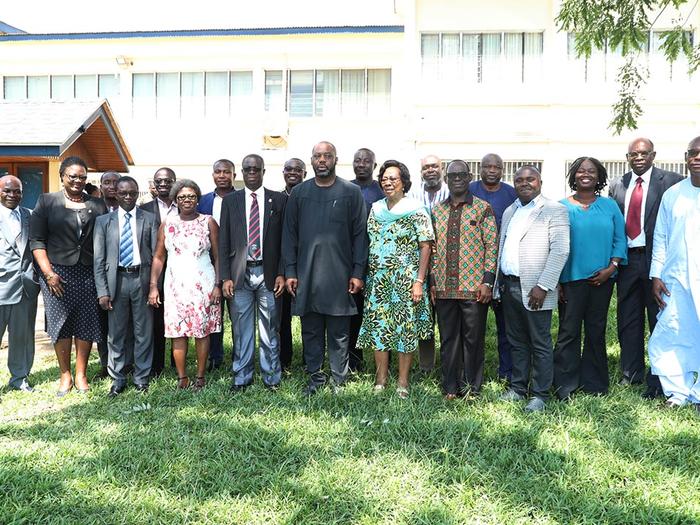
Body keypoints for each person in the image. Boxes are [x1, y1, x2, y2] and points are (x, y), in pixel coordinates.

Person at [282, 141, 368, 395]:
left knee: (340, 331)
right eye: (318, 156)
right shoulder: (299, 193)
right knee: (311, 329)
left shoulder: (351, 192)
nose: (322, 160)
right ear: (311, 161)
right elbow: (290, 235)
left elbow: (360, 235)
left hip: (340, 274)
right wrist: (290, 271)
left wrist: (357, 271)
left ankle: (339, 379)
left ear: (335, 160)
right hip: (306, 274)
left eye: (327, 156)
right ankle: (316, 377)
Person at [609, 138, 684, 398]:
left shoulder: (672, 182)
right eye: (633, 154)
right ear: (627, 157)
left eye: (643, 153)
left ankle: (660, 376)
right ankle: (631, 374)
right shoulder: (618, 185)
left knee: (658, 318)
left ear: (653, 155)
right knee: (628, 319)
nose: (638, 157)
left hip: (658, 261)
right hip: (628, 260)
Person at [30, 156, 107, 396]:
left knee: (86, 322)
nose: (77, 180)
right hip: (57, 274)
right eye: (72, 176)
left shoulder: (98, 205)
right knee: (60, 324)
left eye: (82, 177)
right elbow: (37, 241)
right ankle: (65, 375)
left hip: (88, 271)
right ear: (62, 176)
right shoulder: (47, 202)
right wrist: (48, 273)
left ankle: (81, 374)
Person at [496, 166, 569, 412]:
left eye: (530, 179)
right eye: (519, 180)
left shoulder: (554, 210)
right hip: (510, 286)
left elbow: (560, 250)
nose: (524, 183)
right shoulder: (510, 210)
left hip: (536, 289)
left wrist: (544, 285)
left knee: (540, 342)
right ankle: (518, 388)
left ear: (540, 181)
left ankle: (539, 395)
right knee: (516, 341)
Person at [358, 160, 433, 398]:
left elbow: (426, 246)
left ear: (404, 183)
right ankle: (380, 380)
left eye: (393, 178)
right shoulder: (376, 208)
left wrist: (419, 281)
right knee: (381, 329)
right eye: (384, 178)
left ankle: (402, 382)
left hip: (406, 281)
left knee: (404, 330)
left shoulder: (416, 209)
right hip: (379, 280)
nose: (387, 182)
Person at [554, 158, 627, 400]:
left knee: (596, 330)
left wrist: (611, 268)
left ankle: (594, 384)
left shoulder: (610, 206)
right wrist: (558, 281)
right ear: (573, 176)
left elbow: (620, 240)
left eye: (591, 171)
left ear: (599, 177)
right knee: (568, 331)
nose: (586, 174)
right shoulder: (560, 207)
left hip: (602, 280)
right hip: (569, 281)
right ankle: (565, 385)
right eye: (581, 171)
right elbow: (554, 246)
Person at [432, 161, 498, 399]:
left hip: (474, 288)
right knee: (448, 339)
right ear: (446, 179)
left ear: (470, 177)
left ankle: (471, 388)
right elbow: (432, 248)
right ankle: (450, 387)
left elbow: (492, 246)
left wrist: (487, 281)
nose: (457, 178)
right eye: (452, 175)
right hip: (443, 288)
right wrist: (432, 282)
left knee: (473, 340)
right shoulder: (437, 210)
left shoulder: (483, 208)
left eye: (461, 174)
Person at [220, 154, 286, 391]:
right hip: (240, 276)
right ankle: (241, 377)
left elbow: (284, 242)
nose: (251, 173)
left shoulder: (278, 200)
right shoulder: (231, 201)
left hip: (268, 274)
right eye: (247, 169)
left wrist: (281, 272)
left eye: (256, 169)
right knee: (241, 329)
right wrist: (225, 276)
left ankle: (271, 378)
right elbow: (224, 241)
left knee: (269, 328)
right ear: (242, 171)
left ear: (263, 172)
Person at [148, 180, 221, 391]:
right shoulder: (167, 223)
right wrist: (154, 285)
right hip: (175, 286)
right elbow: (159, 257)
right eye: (181, 197)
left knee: (202, 332)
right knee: (177, 332)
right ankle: (182, 378)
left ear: (198, 199)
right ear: (175, 200)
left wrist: (218, 284)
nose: (186, 200)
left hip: (203, 285)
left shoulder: (208, 222)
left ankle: (200, 377)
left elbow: (218, 256)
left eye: (191, 196)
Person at [648, 137, 700, 408]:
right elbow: (661, 237)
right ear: (686, 157)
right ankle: (678, 393)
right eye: (693, 153)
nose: (698, 158)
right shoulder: (673, 194)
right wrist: (657, 275)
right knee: (674, 331)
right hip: (676, 277)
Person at [94, 176, 157, 397]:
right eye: (123, 193)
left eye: (132, 193)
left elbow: (157, 256)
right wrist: (102, 291)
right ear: (116, 194)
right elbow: (99, 260)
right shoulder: (104, 222)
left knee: (143, 332)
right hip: (116, 282)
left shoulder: (148, 218)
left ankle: (141, 378)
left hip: (142, 279)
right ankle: (118, 378)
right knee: (116, 332)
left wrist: (154, 286)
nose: (128, 197)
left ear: (137, 193)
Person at [469, 153, 517, 382]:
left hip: (503, 267)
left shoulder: (512, 193)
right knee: (472, 328)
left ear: (502, 169)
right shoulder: (468, 189)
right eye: (487, 166)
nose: (491, 170)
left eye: (496, 166)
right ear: (480, 169)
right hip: (472, 269)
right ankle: (469, 373)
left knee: (506, 326)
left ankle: (506, 372)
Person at [408, 154, 449, 374]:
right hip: (420, 264)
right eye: (426, 167)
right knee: (424, 318)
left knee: (446, 318)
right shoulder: (413, 195)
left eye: (434, 166)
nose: (430, 170)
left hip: (446, 264)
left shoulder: (451, 193)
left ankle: (450, 364)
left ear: (442, 169)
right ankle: (426, 366)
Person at [0, 175, 39, 393]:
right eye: (7, 191)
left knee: (22, 337)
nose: (12, 195)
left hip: (25, 287)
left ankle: (19, 378)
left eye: (17, 191)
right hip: (0, 286)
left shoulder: (30, 216)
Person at [348, 147, 385, 373]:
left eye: (366, 161)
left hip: (377, 262)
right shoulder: (344, 188)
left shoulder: (381, 192)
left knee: (376, 313)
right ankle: (354, 361)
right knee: (352, 312)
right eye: (357, 160)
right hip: (349, 261)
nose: (361, 164)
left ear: (374, 164)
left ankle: (382, 363)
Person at [197, 158, 236, 371]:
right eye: (218, 172)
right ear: (213, 175)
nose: (222, 175)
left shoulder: (241, 198)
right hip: (207, 266)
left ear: (233, 175)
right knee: (212, 313)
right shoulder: (202, 201)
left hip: (236, 264)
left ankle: (239, 357)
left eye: (226, 172)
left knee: (236, 313)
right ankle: (214, 356)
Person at [140, 167, 178, 377]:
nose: (163, 184)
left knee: (177, 315)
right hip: (154, 270)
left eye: (167, 180)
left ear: (174, 182)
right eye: (159, 181)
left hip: (180, 271)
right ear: (153, 184)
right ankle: (156, 365)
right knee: (155, 318)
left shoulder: (184, 206)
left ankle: (177, 361)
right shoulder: (144, 209)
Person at [279, 158, 307, 371]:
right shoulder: (277, 200)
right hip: (281, 266)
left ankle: (309, 359)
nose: (293, 173)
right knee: (282, 317)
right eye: (289, 169)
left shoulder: (311, 196)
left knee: (308, 316)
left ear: (304, 173)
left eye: (298, 170)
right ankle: (284, 359)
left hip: (307, 265)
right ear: (283, 173)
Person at [94, 170, 122, 380]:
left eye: (116, 183)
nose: (111, 186)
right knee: (102, 323)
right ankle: (106, 364)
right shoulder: (94, 209)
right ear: (101, 185)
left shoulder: (130, 208)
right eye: (107, 182)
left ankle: (124, 363)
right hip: (97, 274)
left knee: (123, 323)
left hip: (123, 276)